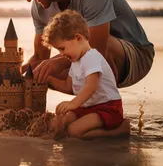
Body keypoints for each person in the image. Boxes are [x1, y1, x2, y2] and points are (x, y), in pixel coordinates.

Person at [7, 0, 154, 88]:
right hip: (80, 57)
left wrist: (56, 63)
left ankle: (106, 107)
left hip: (135, 56)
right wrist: (10, 76)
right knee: (38, 74)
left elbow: (97, 49)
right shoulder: (39, 6)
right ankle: (88, 102)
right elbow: (40, 58)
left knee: (90, 52)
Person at [42, 9, 130, 139]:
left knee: (74, 131)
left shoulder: (91, 57)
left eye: (62, 48)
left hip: (106, 107)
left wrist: (73, 103)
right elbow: (68, 86)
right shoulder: (75, 60)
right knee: (57, 124)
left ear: (78, 38)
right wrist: (48, 80)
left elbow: (91, 86)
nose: (60, 54)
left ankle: (121, 129)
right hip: (86, 106)